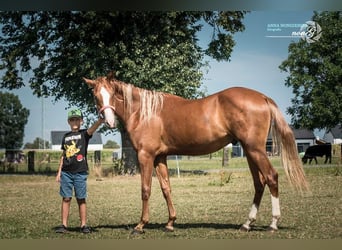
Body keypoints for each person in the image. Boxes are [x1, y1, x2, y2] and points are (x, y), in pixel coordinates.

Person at [55, 109, 103, 234]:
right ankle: (64, 225)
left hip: (80, 172)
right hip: (66, 173)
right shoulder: (65, 137)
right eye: (72, 119)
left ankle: (83, 225)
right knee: (66, 198)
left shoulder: (84, 134)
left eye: (77, 119)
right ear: (68, 122)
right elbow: (63, 155)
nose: (74, 121)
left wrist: (100, 120)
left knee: (81, 198)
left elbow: (93, 128)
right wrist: (59, 172)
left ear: (81, 121)